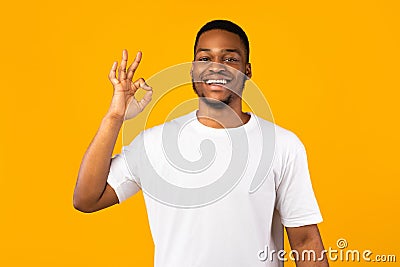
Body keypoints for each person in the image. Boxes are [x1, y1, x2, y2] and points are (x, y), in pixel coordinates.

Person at [73, 20, 329, 267]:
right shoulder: (154, 144)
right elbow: (87, 199)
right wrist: (115, 117)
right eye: (205, 59)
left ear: (247, 70)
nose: (216, 67)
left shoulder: (282, 145)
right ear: (192, 70)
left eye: (230, 59)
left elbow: (306, 241)